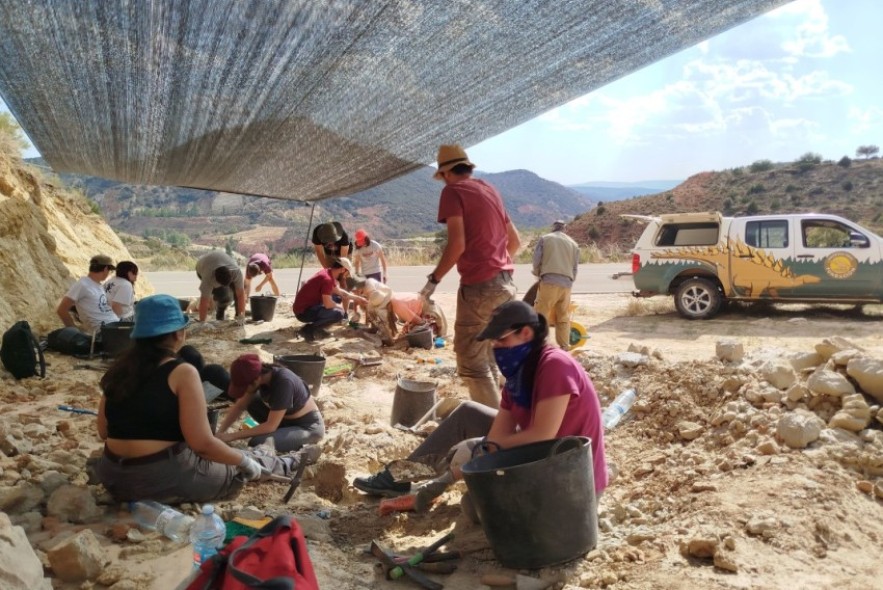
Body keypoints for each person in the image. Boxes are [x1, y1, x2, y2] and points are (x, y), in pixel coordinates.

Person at [352, 301, 607, 512]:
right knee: (467, 413)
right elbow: (497, 438)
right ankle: (401, 477)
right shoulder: (518, 376)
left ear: (526, 334)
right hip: (539, 455)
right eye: (493, 343)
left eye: (501, 341)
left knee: (474, 508)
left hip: (569, 473)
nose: (496, 349)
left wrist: (478, 451)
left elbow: (543, 434)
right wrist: (453, 472)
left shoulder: (554, 365)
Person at [95, 295, 316, 504]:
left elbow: (104, 432)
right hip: (160, 478)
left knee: (224, 453)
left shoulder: (117, 371)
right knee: (234, 465)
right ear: (177, 334)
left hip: (113, 476)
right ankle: (289, 462)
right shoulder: (182, 372)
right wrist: (243, 461)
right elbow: (202, 445)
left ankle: (264, 454)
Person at [419, 144, 520, 409]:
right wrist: (495, 263)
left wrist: (433, 281)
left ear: (445, 173)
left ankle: (495, 431)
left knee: (471, 363)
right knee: (489, 352)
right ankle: (508, 416)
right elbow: (515, 242)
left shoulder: (452, 192)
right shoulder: (489, 189)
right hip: (506, 283)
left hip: (480, 288)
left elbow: (457, 245)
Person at [215, 354, 325, 452]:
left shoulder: (284, 382)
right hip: (283, 420)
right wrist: (220, 434)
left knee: (258, 442)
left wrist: (232, 436)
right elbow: (239, 406)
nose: (243, 390)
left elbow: (271, 426)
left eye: (244, 387)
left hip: (307, 427)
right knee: (252, 401)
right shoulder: (261, 377)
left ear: (256, 380)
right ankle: (280, 435)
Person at [532, 220, 580, 349]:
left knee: (541, 314)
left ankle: (539, 346)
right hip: (566, 284)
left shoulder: (545, 239)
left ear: (553, 228)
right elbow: (575, 268)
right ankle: (564, 347)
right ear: (565, 229)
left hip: (549, 280)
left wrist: (538, 273)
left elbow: (536, 259)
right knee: (563, 317)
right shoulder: (573, 244)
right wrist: (570, 281)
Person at [292, 259, 365, 341]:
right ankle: (308, 330)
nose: (345, 277)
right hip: (302, 312)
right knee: (339, 314)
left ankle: (319, 329)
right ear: (343, 270)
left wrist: (359, 298)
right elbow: (328, 304)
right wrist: (340, 308)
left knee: (337, 298)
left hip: (305, 306)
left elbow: (341, 292)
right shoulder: (327, 279)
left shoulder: (328, 272)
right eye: (346, 274)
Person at [56, 254, 120, 333]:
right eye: (110, 271)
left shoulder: (98, 285)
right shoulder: (83, 284)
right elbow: (61, 310)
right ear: (105, 269)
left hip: (114, 326)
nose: (109, 273)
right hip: (105, 331)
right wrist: (75, 331)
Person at [195, 251, 246, 323]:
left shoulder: (236, 272)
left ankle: (238, 317)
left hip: (219, 261)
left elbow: (241, 294)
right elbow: (204, 301)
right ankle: (219, 316)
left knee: (234, 293)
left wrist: (242, 316)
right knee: (223, 295)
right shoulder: (208, 278)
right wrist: (202, 322)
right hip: (202, 266)